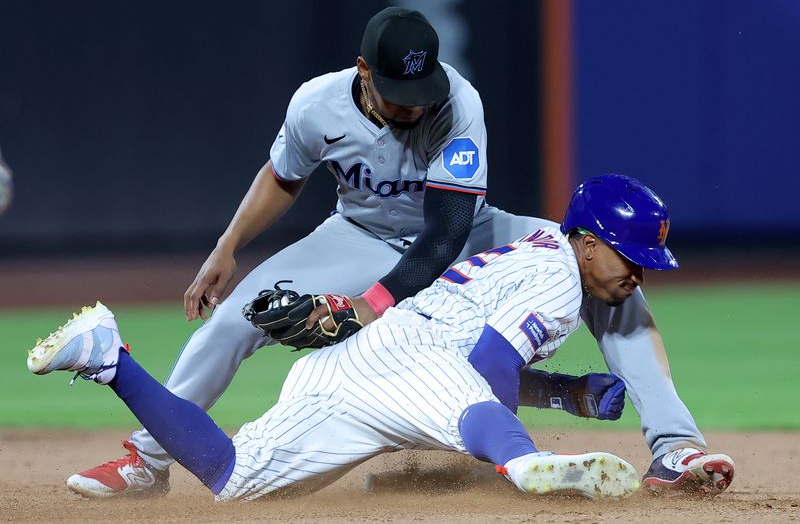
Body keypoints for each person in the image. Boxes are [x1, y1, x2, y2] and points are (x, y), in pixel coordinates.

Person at [65, 7, 732, 497]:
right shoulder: (316, 107)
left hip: (463, 230)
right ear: (363, 72)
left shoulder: (457, 104)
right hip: (358, 236)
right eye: (398, 96)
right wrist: (228, 245)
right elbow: (283, 178)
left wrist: (371, 305)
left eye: (423, 94)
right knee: (237, 317)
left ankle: (675, 447)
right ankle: (147, 459)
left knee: (607, 272)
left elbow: (442, 237)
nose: (416, 108)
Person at [29, 175, 708, 501]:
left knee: (231, 478)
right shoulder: (561, 279)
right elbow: (486, 370)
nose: (639, 273)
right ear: (587, 243)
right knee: (477, 418)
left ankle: (107, 356)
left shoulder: (538, 251)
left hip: (360, 360)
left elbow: (480, 363)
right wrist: (492, 451)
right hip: (418, 356)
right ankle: (524, 465)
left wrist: (566, 394)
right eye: (629, 256)